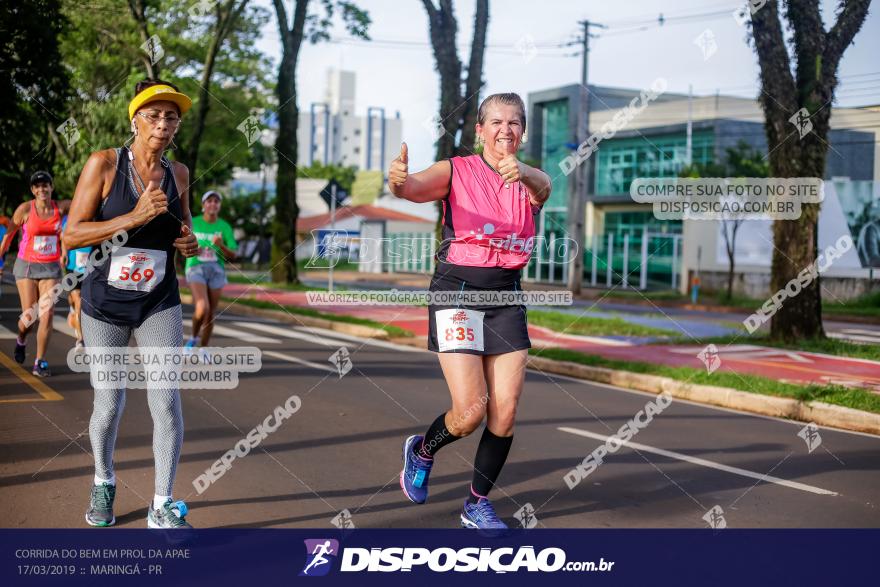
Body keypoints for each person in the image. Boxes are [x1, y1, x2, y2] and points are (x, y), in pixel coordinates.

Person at [389, 93, 551, 531]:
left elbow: (544, 187)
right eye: (495, 122)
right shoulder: (456, 170)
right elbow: (413, 189)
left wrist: (525, 173)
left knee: (506, 410)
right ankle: (423, 450)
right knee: (470, 412)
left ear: (522, 132)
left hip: (506, 297)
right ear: (479, 131)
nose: (505, 130)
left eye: (514, 123)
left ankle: (476, 503)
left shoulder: (530, 181)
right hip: (458, 294)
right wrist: (399, 182)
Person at [63, 78, 199, 529]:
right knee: (109, 402)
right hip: (104, 305)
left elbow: (186, 229)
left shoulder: (178, 173)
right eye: (154, 115)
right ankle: (103, 481)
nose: (163, 124)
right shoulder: (103, 164)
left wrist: (189, 243)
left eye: (172, 117)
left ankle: (162, 503)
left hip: (158, 301)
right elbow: (72, 233)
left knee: (166, 402)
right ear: (135, 120)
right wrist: (133, 217)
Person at [0, 171, 70, 376]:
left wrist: (65, 250)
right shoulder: (24, 209)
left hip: (51, 268)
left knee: (47, 315)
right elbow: (8, 238)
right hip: (27, 267)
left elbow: (86, 205)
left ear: (52, 187)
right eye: (37, 186)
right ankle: (21, 339)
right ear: (32, 190)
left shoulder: (61, 207)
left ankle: (40, 361)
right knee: (29, 318)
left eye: (45, 185)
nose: (42, 189)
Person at [184, 190, 237, 350]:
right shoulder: (194, 222)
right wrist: (193, 249)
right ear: (203, 205)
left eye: (216, 201)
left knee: (210, 314)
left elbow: (233, 254)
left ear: (219, 206)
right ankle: (193, 337)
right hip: (196, 267)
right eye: (209, 201)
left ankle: (204, 348)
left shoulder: (224, 226)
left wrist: (221, 245)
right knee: (202, 307)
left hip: (216, 270)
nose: (213, 204)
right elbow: (181, 245)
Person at [61, 214, 91, 350]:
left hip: (92, 265)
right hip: (73, 265)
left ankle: (81, 336)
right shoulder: (71, 218)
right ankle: (81, 338)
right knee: (77, 300)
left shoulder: (99, 215)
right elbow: (64, 238)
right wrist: (63, 254)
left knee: (83, 301)